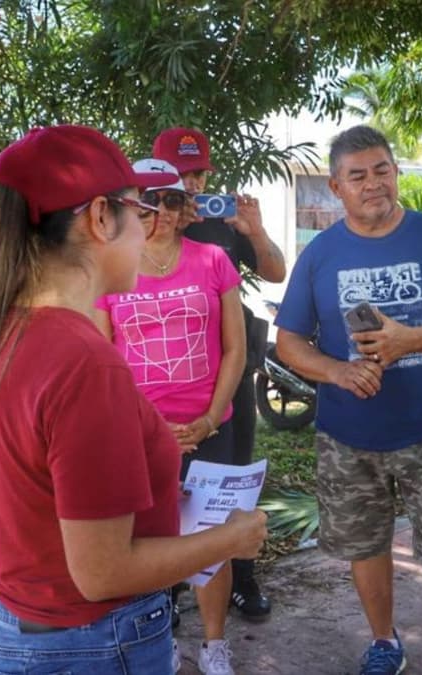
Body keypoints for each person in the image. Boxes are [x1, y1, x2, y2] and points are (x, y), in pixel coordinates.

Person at [0, 125, 267, 674]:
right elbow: (103, 572)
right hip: (89, 645)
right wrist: (230, 537)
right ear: (100, 218)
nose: (149, 228)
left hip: (12, 628)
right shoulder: (85, 361)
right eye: (138, 210)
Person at [275, 125, 422, 675]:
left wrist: (410, 340)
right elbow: (289, 341)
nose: (372, 184)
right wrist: (338, 372)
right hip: (349, 437)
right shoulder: (320, 254)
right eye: (357, 175)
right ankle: (384, 643)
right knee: (366, 546)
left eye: (381, 170)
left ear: (395, 173)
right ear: (335, 187)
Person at [95, 158, 247, 675]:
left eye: (172, 199)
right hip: (140, 435)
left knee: (212, 536)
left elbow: (234, 351)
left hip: (209, 428)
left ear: (185, 209)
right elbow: (102, 355)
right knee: (146, 542)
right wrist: (149, 431)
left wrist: (206, 421)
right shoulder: (111, 268)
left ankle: (214, 643)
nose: (160, 209)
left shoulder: (212, 260)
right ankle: (156, 634)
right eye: (150, 199)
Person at [153, 127, 285, 621]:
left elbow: (276, 272)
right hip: (164, 382)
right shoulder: (143, 219)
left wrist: (254, 230)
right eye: (180, 174)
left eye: (198, 173)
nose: (190, 185)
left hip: (230, 375)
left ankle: (241, 580)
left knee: (233, 484)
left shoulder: (224, 222)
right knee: (164, 489)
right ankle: (166, 587)